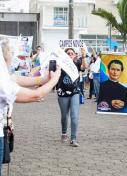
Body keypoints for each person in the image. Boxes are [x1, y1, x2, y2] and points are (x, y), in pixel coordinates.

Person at [0, 39, 61, 175]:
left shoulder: (4, 75)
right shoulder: (2, 80)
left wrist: (44, 78)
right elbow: (35, 95)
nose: (13, 54)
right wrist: (54, 80)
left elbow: (17, 79)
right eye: (10, 51)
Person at [56, 47, 86, 147]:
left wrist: (84, 56)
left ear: (74, 55)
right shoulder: (60, 64)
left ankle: (73, 138)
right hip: (62, 93)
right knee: (64, 116)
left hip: (75, 92)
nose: (70, 55)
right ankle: (64, 133)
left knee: (74, 116)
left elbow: (83, 68)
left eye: (72, 53)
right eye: (68, 53)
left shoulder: (76, 64)